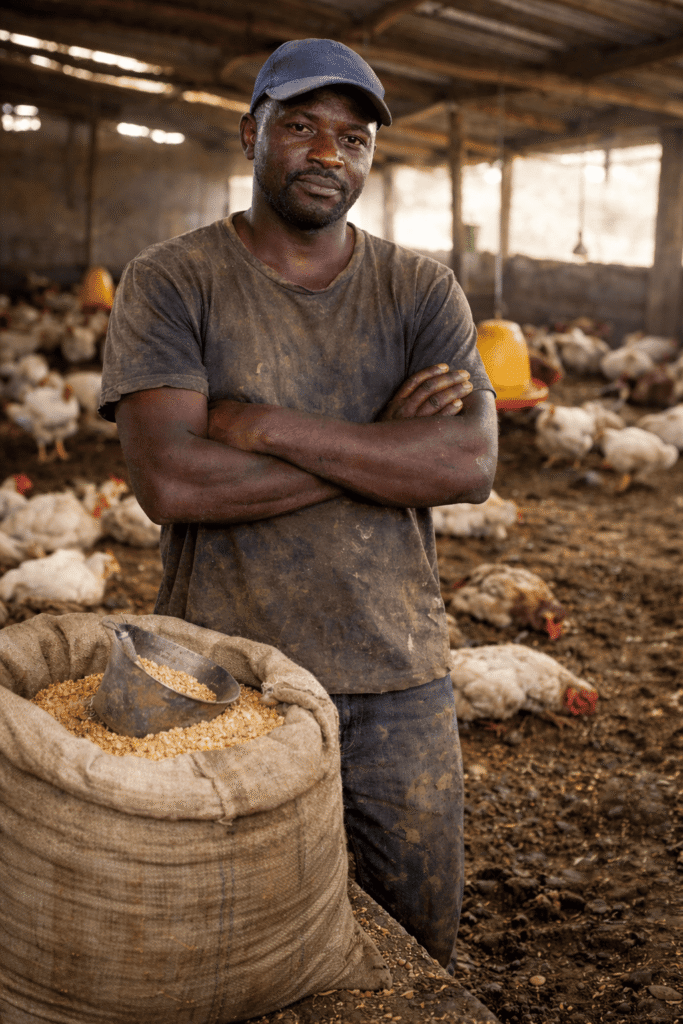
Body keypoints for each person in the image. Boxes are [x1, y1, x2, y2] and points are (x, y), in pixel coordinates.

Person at [99, 38, 498, 974]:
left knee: (416, 939)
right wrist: (380, 443)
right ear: (251, 135)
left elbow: (470, 463)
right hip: (227, 675)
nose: (330, 153)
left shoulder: (419, 288)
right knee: (229, 944)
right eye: (303, 127)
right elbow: (173, 483)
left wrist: (264, 424)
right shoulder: (173, 279)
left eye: (354, 138)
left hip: (398, 674)